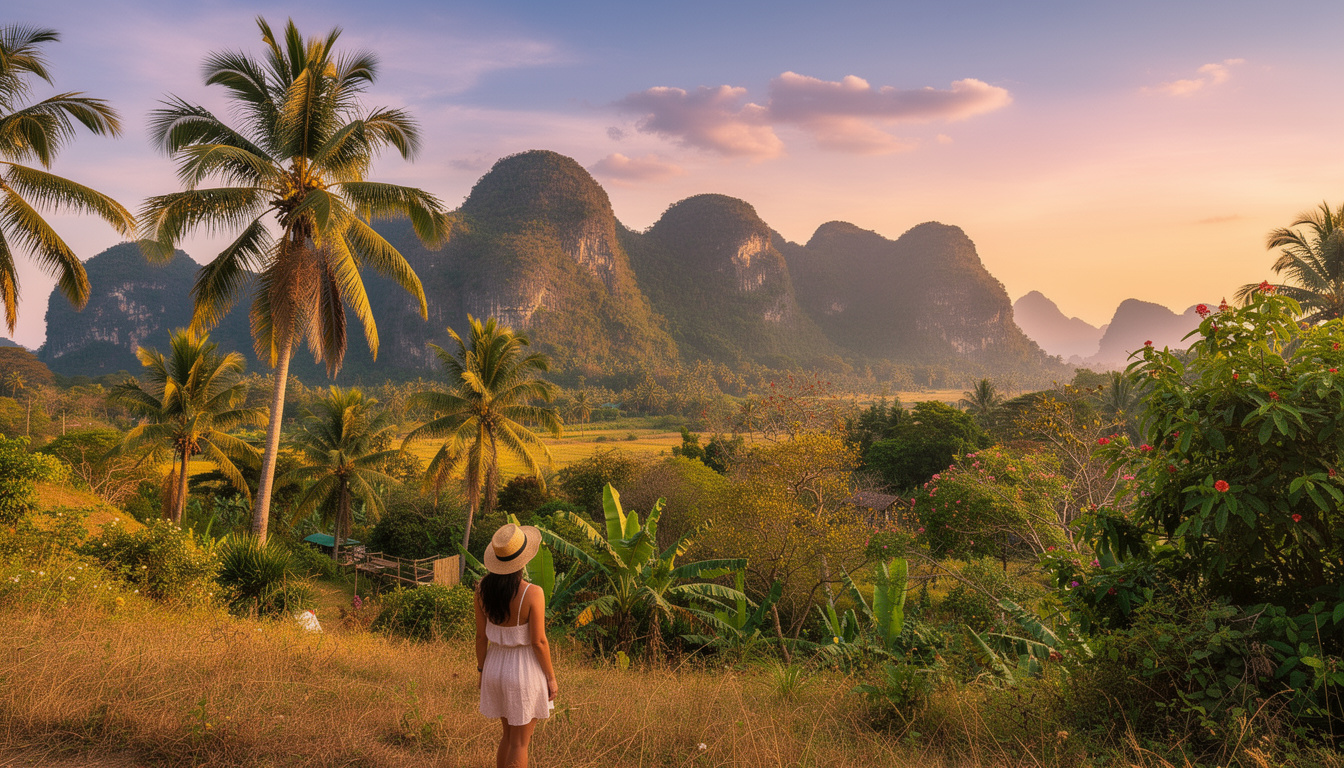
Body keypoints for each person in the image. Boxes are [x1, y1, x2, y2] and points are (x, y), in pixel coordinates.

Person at [475, 523, 558, 768]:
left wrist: (481, 671)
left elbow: (481, 638)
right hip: (523, 670)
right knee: (521, 742)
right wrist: (551, 677)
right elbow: (539, 641)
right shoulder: (532, 593)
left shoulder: (481, 590)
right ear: (523, 559)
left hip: (494, 666)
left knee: (508, 736)